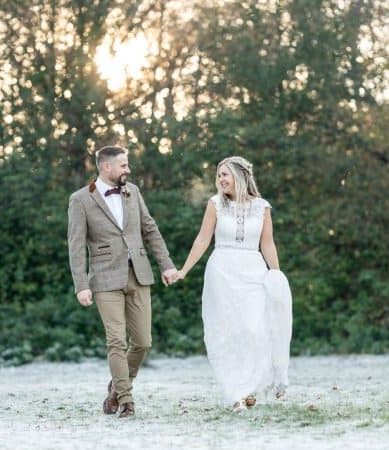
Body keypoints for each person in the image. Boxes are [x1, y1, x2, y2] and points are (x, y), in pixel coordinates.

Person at [68, 145, 179, 418]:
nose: (128, 169)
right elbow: (76, 245)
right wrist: (81, 285)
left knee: (143, 342)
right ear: (106, 167)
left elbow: (150, 229)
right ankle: (127, 401)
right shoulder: (80, 199)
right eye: (124, 165)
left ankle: (116, 388)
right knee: (116, 341)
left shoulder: (133, 192)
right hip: (105, 278)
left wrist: (166, 265)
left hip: (138, 274)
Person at [176, 156, 292, 412]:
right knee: (227, 333)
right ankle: (234, 394)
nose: (220, 180)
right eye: (219, 175)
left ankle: (251, 386)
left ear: (240, 176)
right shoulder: (215, 204)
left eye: (225, 174)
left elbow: (267, 243)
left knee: (255, 329)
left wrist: (276, 275)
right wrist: (184, 270)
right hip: (222, 272)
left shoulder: (262, 207)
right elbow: (202, 240)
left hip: (253, 271)